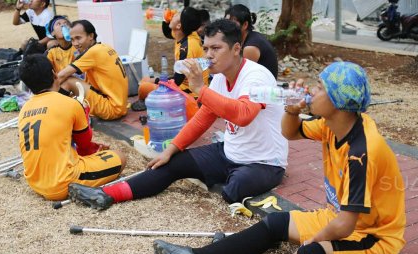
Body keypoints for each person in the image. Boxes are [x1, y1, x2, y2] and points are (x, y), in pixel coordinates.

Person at [153, 62, 407, 254]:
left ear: (338, 101)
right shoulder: (335, 124)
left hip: (373, 237)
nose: (311, 91)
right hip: (338, 218)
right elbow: (291, 132)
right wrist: (292, 110)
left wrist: (312, 241)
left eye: (319, 87)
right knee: (275, 223)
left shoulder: (361, 153)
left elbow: (345, 224)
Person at [68, 19, 288, 209]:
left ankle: (227, 179)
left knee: (234, 190)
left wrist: (201, 90)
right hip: (230, 151)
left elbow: (243, 115)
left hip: (264, 162)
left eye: (216, 48)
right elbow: (204, 117)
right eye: (206, 48)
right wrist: (172, 149)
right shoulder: (220, 77)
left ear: (236, 49)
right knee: (170, 162)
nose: (208, 55)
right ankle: (105, 195)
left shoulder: (257, 76)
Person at [17, 54, 126, 201]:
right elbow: (84, 145)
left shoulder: (24, 109)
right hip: (64, 182)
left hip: (35, 183)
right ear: (54, 74)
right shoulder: (70, 104)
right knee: (120, 156)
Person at [134, 5, 208, 112]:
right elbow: (168, 33)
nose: (175, 14)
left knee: (143, 86)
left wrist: (155, 80)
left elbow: (176, 82)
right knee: (146, 80)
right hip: (185, 84)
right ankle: (152, 99)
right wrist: (165, 18)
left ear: (178, 26)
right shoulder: (187, 34)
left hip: (191, 95)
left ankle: (149, 103)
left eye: (178, 15)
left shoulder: (187, 48)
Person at [57, 20, 128, 121]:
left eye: (78, 38)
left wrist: (44, 94)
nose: (75, 44)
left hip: (112, 109)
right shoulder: (104, 47)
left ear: (91, 36)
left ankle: (52, 111)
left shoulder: (93, 52)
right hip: (120, 106)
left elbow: (61, 76)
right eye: (72, 40)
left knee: (68, 81)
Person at [225, 4, 278, 78]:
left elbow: (241, 75)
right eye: (226, 22)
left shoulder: (250, 47)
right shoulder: (246, 38)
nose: (227, 27)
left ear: (245, 25)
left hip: (263, 86)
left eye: (232, 23)